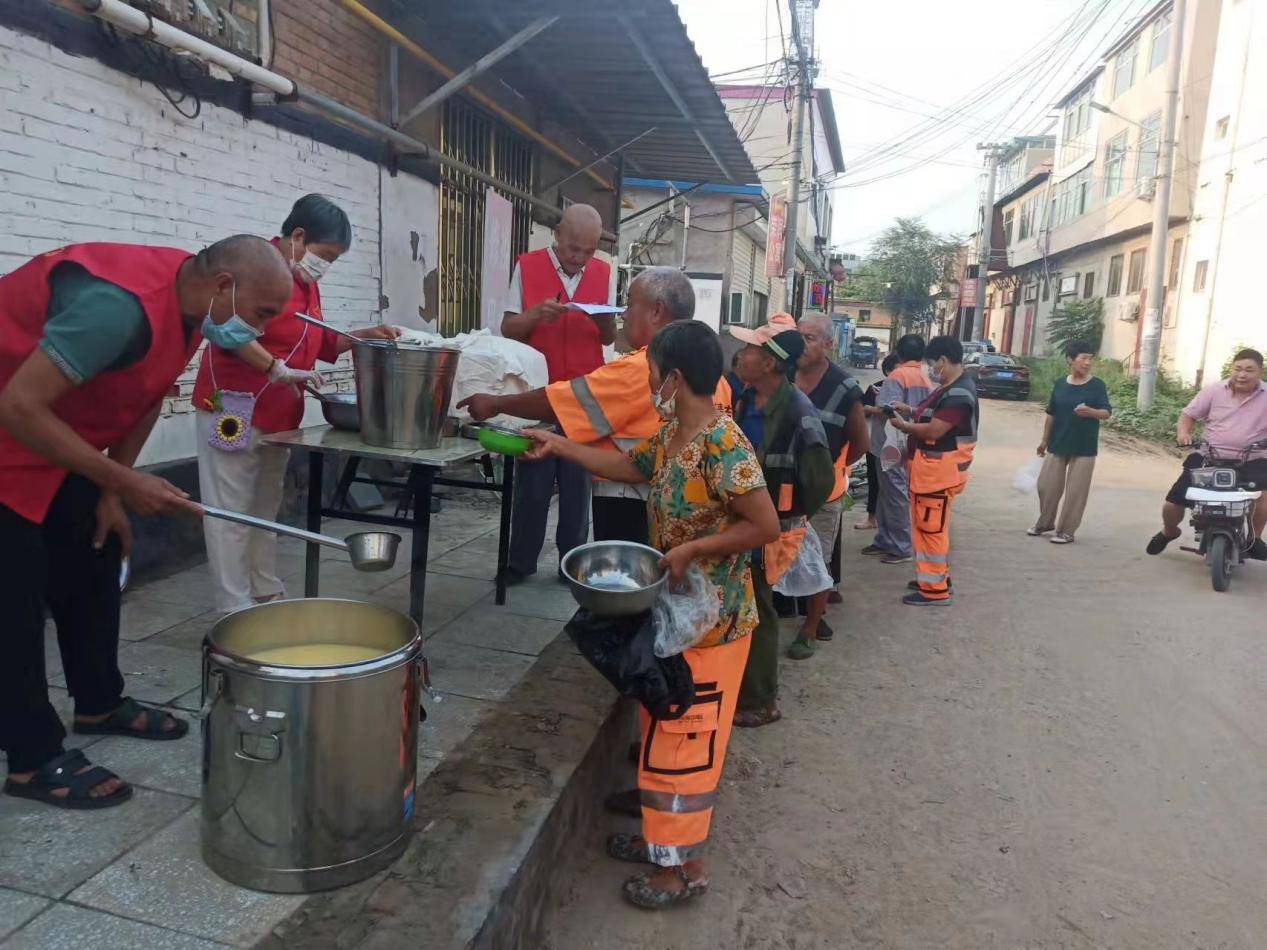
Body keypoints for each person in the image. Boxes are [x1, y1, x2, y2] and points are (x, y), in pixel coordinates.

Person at [0, 236, 293, 809]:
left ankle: (98, 702)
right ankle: (32, 757)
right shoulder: (118, 309)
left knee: (96, 548)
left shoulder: (192, 310)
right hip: (16, 420)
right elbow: (18, 405)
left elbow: (147, 395)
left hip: (48, 436)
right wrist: (128, 481)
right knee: (14, 593)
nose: (259, 331)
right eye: (261, 314)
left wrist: (113, 488)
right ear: (225, 286)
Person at [522, 320, 779, 909]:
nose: (649, 385)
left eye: (652, 375)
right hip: (678, 616)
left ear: (675, 378)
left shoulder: (723, 443)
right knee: (664, 733)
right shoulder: (673, 435)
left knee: (688, 746)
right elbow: (630, 467)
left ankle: (684, 872)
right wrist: (558, 445)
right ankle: (663, 843)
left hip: (714, 624)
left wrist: (693, 549)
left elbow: (763, 524)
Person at [192, 195, 401, 613]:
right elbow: (223, 327)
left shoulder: (305, 283)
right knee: (230, 511)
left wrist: (366, 334)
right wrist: (274, 367)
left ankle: (263, 587)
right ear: (299, 236)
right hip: (233, 409)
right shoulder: (255, 267)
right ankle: (233, 607)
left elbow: (319, 343)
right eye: (326, 255)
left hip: (279, 417)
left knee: (264, 507)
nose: (326, 265)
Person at [458, 267, 731, 546]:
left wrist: (495, 403)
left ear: (656, 311)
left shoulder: (639, 368)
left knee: (627, 572)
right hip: (689, 512)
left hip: (630, 502)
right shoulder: (715, 378)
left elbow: (560, 403)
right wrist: (557, 444)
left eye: (630, 303)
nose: (624, 314)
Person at [494, 204, 616, 584]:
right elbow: (508, 328)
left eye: (588, 251)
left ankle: (572, 563)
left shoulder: (603, 272)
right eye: (573, 248)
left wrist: (603, 320)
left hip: (585, 391)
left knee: (578, 484)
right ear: (558, 234)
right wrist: (534, 316)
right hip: (539, 391)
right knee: (533, 482)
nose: (580, 258)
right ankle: (520, 562)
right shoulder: (528, 266)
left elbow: (609, 337)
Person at [728, 320, 835, 726]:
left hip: (769, 528)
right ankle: (743, 688)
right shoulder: (746, 399)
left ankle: (762, 700)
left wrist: (783, 514)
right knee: (745, 605)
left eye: (750, 351)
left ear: (771, 364)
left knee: (758, 610)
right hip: (742, 520)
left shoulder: (798, 413)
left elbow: (820, 481)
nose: (741, 356)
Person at [789, 314, 868, 657]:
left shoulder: (845, 388)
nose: (802, 344)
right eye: (799, 336)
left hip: (823, 492)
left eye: (810, 338)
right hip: (782, 486)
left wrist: (831, 470)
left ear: (828, 344)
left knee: (818, 559)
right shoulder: (782, 374)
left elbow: (861, 444)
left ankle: (810, 626)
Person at [1146, 348, 1267, 559]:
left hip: (1252, 459)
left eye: (1249, 370)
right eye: (1238, 369)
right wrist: (1184, 433)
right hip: (1208, 456)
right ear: (1232, 369)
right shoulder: (1214, 390)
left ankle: (1254, 538)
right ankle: (1169, 531)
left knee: (1263, 496)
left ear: (1260, 372)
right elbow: (1188, 415)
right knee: (1173, 503)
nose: (1242, 374)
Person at [889, 335, 978, 606]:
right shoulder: (948, 388)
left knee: (931, 531)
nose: (931, 369)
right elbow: (930, 414)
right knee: (928, 528)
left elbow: (935, 429)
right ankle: (935, 577)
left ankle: (934, 591)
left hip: (938, 474)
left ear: (943, 360)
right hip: (930, 473)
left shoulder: (959, 394)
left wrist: (905, 426)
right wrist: (910, 410)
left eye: (932, 364)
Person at [1029, 339, 1112, 544]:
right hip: (1058, 442)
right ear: (1070, 359)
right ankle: (1045, 522)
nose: (1087, 363)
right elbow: (1051, 414)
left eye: (1090, 359)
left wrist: (1091, 412)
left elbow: (1106, 413)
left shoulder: (1097, 385)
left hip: (1084, 447)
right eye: (1083, 358)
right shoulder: (1060, 384)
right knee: (1046, 486)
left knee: (1076, 492)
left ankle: (1066, 531)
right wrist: (1044, 440)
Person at [862, 335, 931, 565]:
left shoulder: (897, 376)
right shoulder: (925, 377)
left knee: (895, 493)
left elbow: (888, 410)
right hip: (911, 441)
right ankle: (885, 539)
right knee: (888, 492)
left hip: (891, 443)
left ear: (898, 353)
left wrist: (868, 408)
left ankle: (901, 546)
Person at [857, 353, 900, 531]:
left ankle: (893, 519)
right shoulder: (875, 389)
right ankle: (872, 517)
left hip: (898, 445)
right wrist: (869, 409)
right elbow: (860, 412)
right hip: (876, 443)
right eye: (897, 369)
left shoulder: (905, 388)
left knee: (895, 484)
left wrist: (874, 409)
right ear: (888, 371)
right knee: (874, 481)